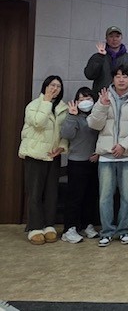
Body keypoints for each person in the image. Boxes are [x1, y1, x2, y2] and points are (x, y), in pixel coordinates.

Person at [88, 65, 128, 247]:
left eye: (125, 76)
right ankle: (106, 232)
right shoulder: (104, 97)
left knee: (127, 196)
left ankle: (123, 230)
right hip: (106, 156)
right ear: (113, 79)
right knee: (105, 196)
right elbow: (93, 125)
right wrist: (102, 106)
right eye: (118, 76)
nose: (121, 79)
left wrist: (124, 146)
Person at [18, 76, 69, 245]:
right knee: (35, 192)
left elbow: (65, 132)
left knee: (51, 192)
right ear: (45, 86)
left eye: (58, 86)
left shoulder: (63, 108)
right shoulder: (34, 105)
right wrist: (46, 102)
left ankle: (48, 225)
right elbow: (38, 123)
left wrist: (61, 147)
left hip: (53, 156)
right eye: (52, 85)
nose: (55, 88)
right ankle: (35, 227)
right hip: (35, 154)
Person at [60, 87, 100, 244]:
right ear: (76, 102)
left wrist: (99, 152)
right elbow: (66, 134)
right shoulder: (74, 116)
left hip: (94, 162)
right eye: (81, 99)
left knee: (90, 196)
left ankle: (87, 225)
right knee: (75, 197)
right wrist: (71, 115)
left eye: (88, 99)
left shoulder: (97, 116)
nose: (85, 102)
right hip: (77, 162)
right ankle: (69, 229)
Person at [84, 26, 128, 94]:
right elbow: (89, 75)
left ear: (121, 38)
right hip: (101, 97)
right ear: (106, 38)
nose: (114, 39)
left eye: (117, 36)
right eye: (111, 36)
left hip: (123, 98)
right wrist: (100, 57)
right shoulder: (98, 57)